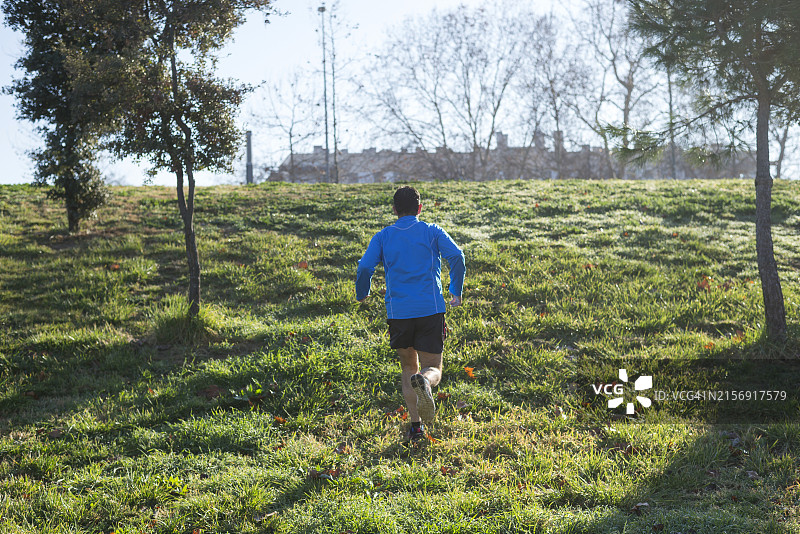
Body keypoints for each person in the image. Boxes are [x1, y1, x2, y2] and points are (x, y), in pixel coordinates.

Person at [356, 186, 465, 443]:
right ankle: (426, 381)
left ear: (394, 210)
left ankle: (416, 427)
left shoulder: (383, 237)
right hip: (429, 310)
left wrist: (363, 293)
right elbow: (457, 256)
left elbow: (364, 267)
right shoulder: (431, 231)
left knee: (408, 366)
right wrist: (455, 291)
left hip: (399, 313)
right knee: (432, 368)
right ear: (420, 208)